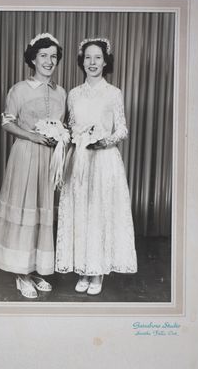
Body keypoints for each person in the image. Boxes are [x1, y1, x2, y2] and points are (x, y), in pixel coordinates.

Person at [55, 37, 137, 295]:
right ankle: (82, 269)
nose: (92, 62)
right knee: (80, 211)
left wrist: (106, 140)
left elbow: (122, 127)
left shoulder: (114, 93)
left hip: (104, 161)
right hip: (79, 161)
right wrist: (67, 135)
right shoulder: (74, 94)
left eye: (97, 58)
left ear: (105, 61)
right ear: (82, 61)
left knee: (99, 212)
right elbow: (70, 125)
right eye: (88, 57)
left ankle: (97, 271)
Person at [0, 33, 66, 299]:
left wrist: (62, 135)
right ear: (33, 59)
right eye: (43, 55)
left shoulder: (61, 92)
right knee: (25, 210)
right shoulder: (19, 89)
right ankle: (20, 274)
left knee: (41, 213)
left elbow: (61, 125)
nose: (49, 61)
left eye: (53, 57)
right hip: (25, 156)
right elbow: (7, 122)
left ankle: (34, 269)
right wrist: (32, 135)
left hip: (48, 160)